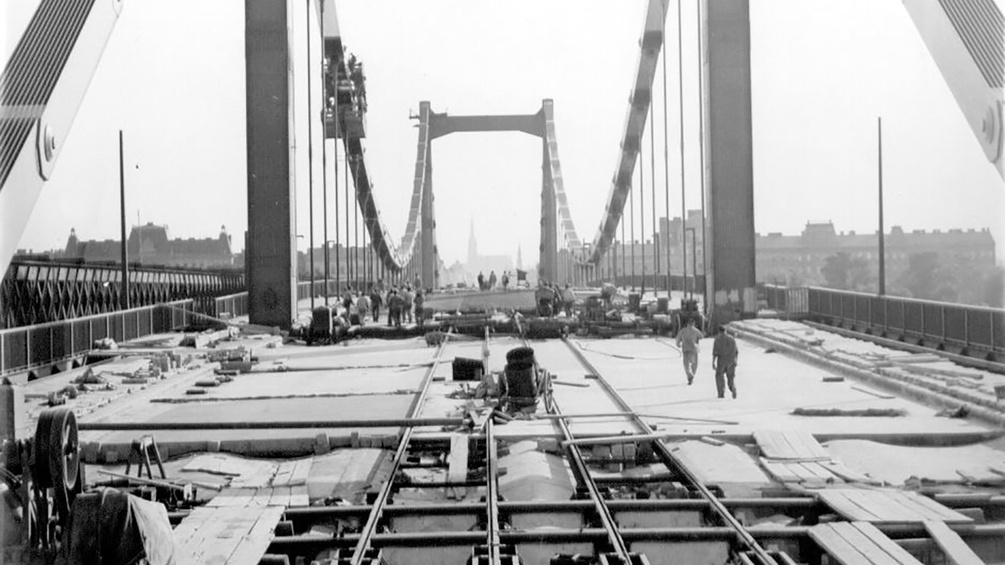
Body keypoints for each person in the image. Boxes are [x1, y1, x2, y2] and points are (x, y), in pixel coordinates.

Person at [712, 326, 739, 399]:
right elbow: (736, 351)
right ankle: (733, 387)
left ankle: (721, 393)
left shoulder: (717, 339)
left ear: (719, 331)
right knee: (731, 377)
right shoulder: (732, 339)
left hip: (722, 361)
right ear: (726, 331)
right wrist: (736, 360)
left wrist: (713, 362)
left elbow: (715, 352)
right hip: (731, 361)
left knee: (719, 376)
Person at [676, 318, 704, 385]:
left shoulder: (683, 330)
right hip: (694, 349)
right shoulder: (695, 330)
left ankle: (689, 374)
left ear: (687, 323)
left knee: (686, 363)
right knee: (694, 363)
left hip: (685, 348)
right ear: (693, 323)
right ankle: (692, 375)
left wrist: (678, 344)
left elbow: (678, 338)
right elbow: (701, 336)